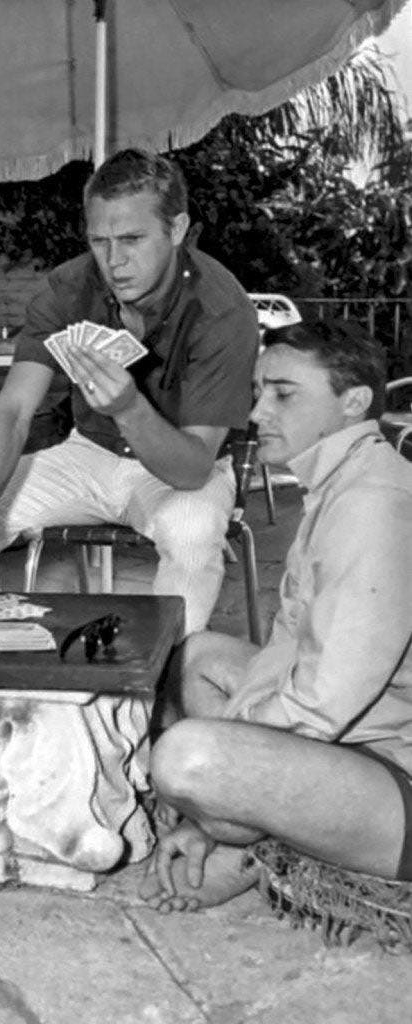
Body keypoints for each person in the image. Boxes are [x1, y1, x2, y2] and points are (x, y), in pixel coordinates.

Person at [0, 149, 259, 636]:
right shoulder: (70, 287)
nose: (114, 262)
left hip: (177, 469)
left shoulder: (222, 309)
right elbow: (12, 409)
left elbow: (192, 468)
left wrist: (129, 409)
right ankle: (1, 674)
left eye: (133, 239)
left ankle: (156, 690)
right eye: (99, 241)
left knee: (191, 534)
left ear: (178, 229)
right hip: (87, 454)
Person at [140, 319, 412, 912]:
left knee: (187, 758)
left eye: (284, 394)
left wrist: (210, 812)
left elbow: (322, 703)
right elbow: (290, 653)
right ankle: (260, 839)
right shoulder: (342, 480)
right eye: (259, 390)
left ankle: (247, 844)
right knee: (199, 655)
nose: (258, 411)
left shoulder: (373, 504)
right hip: (359, 737)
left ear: (354, 402)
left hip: (397, 779)